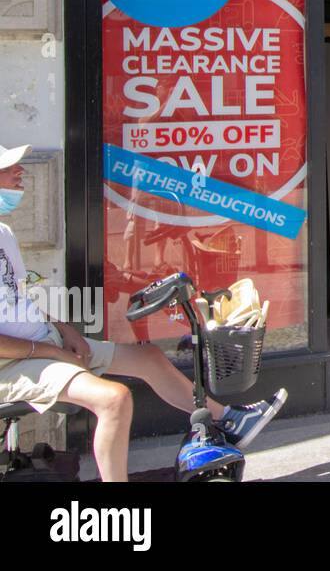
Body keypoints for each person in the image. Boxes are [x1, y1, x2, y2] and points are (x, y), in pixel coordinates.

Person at [0, 144, 287, 481]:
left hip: (44, 344)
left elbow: (19, 299)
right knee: (114, 400)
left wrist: (66, 330)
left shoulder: (5, 234)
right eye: (9, 168)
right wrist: (51, 351)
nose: (21, 171)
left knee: (148, 357)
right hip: (14, 362)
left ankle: (227, 419)